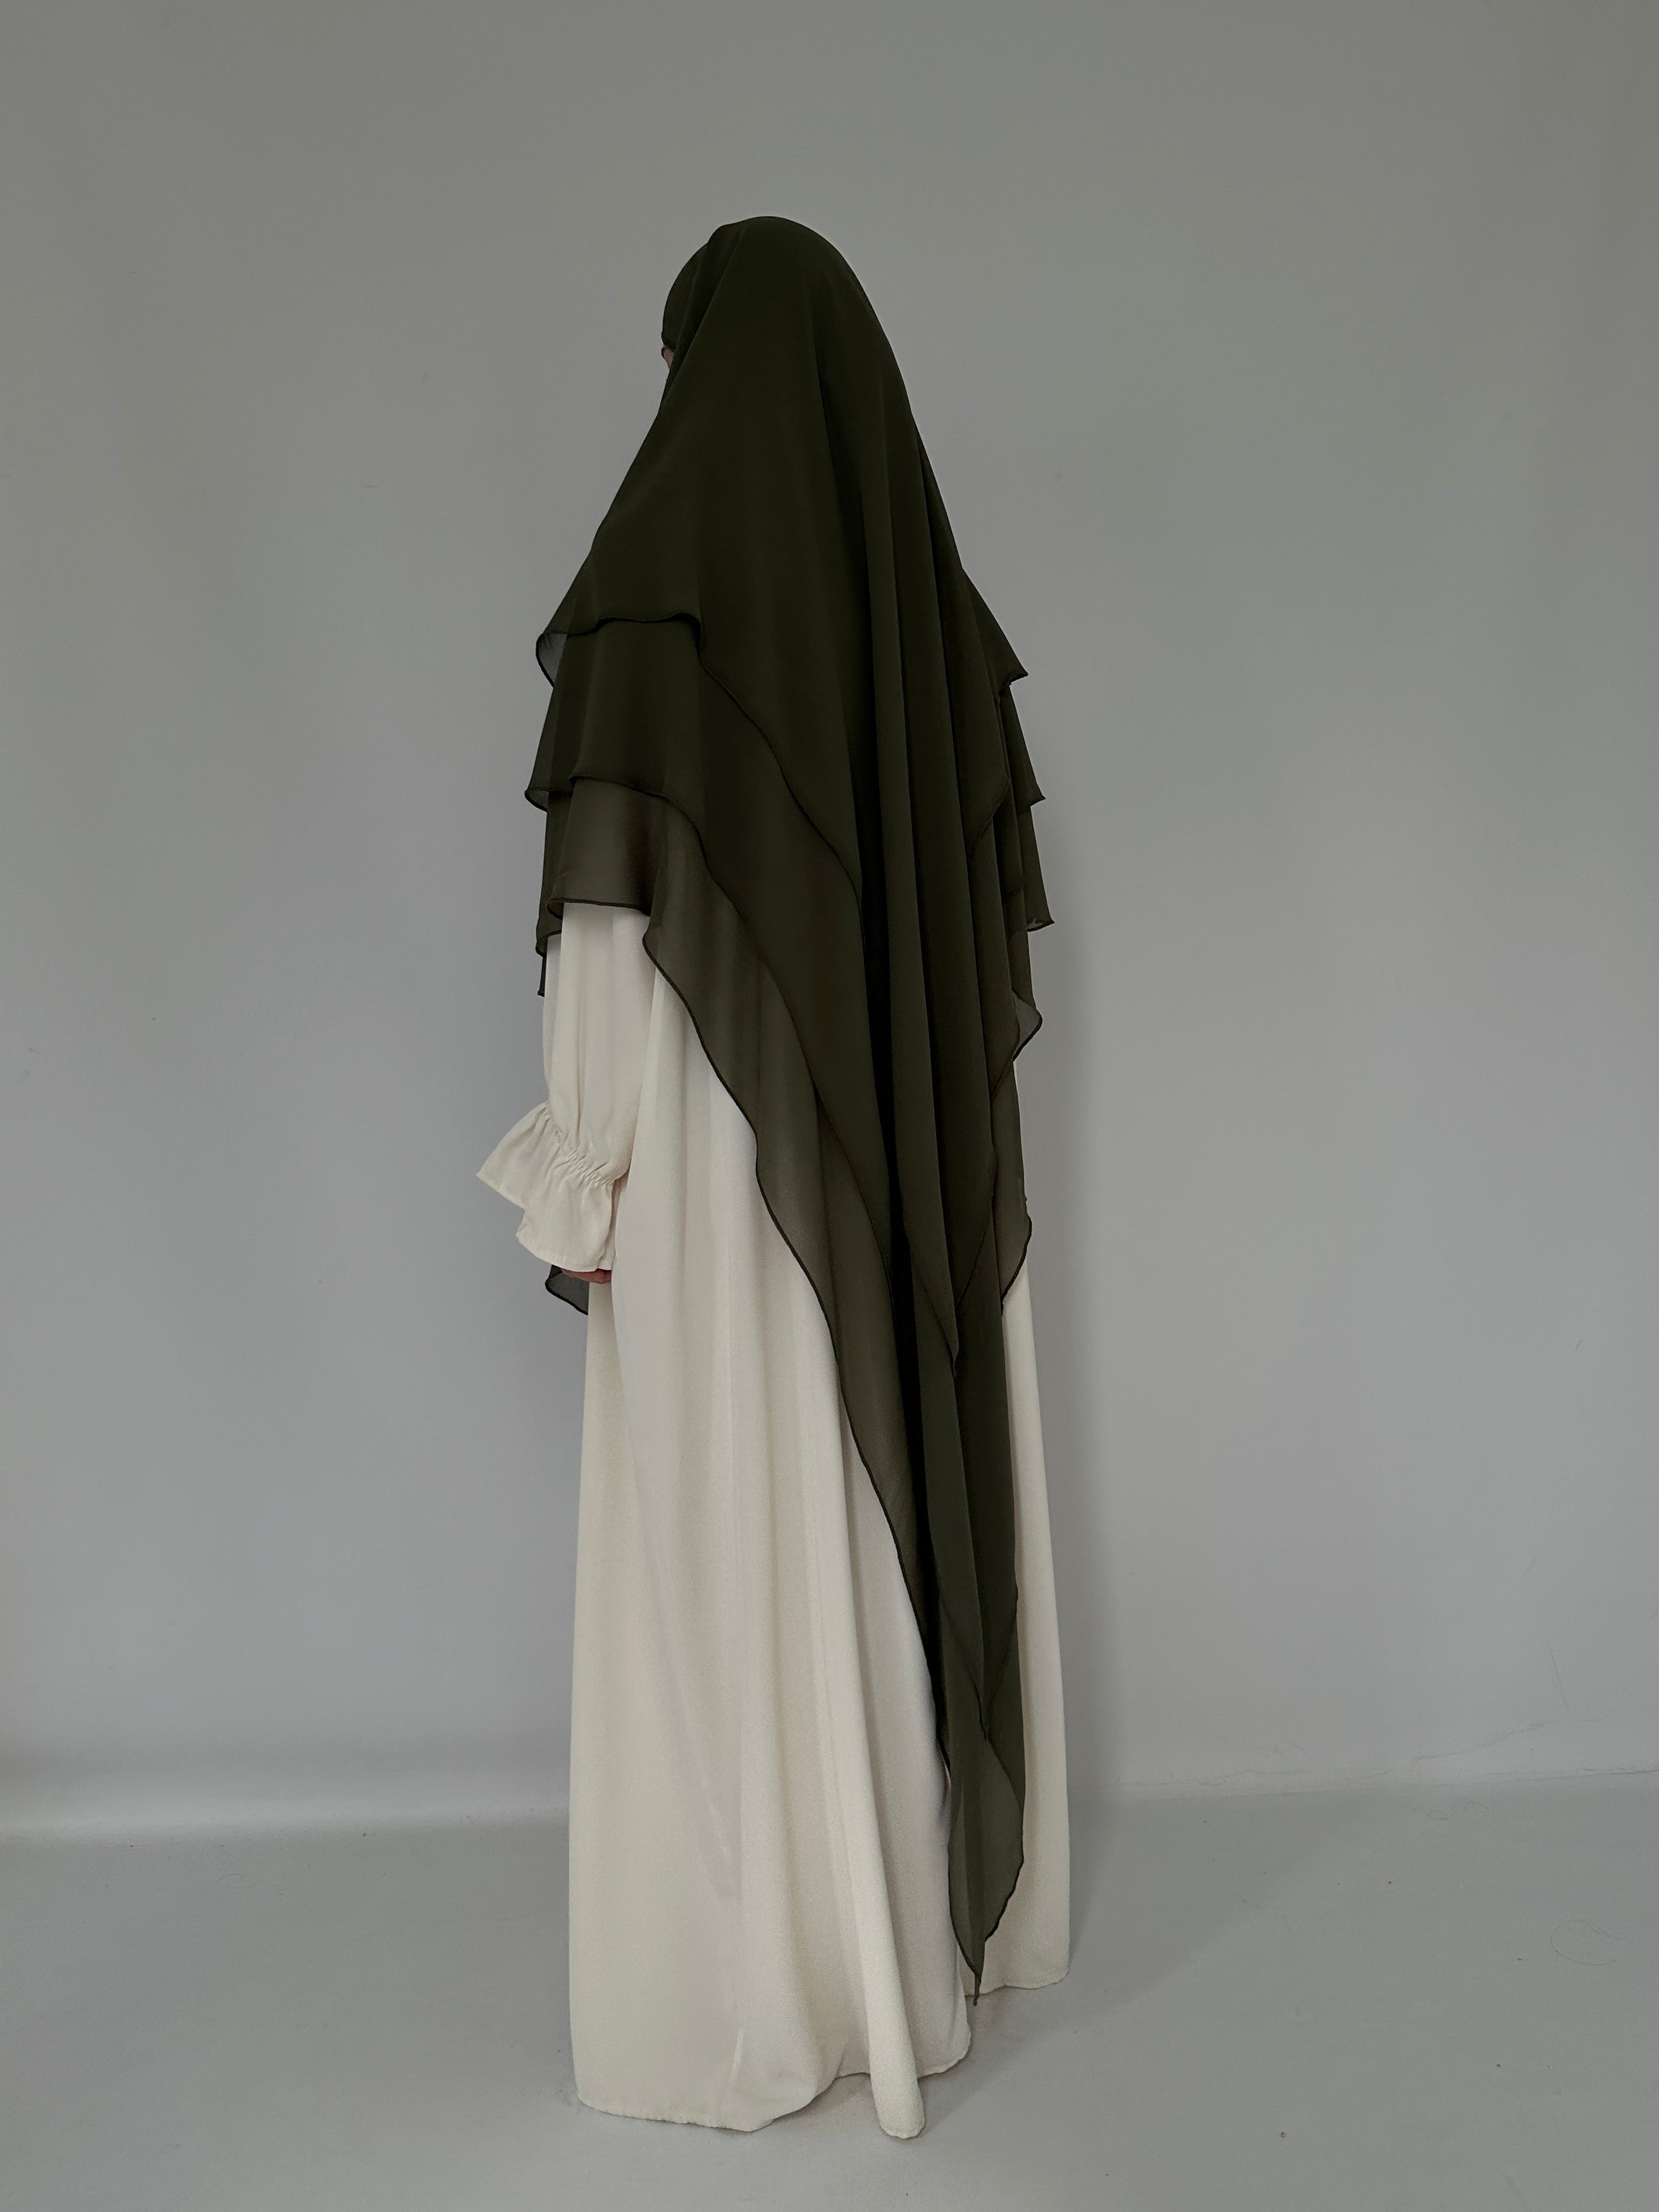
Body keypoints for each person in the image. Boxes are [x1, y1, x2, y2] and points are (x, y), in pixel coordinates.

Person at [479, 215, 1068, 2139]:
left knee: (722, 1558)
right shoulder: (926, 631)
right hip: (879, 1169)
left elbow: (605, 924)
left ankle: (756, 1991)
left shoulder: (652, 604)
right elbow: (962, 965)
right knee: (863, 1536)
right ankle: (890, 1959)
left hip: (715, 1159)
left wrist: (588, 1169)